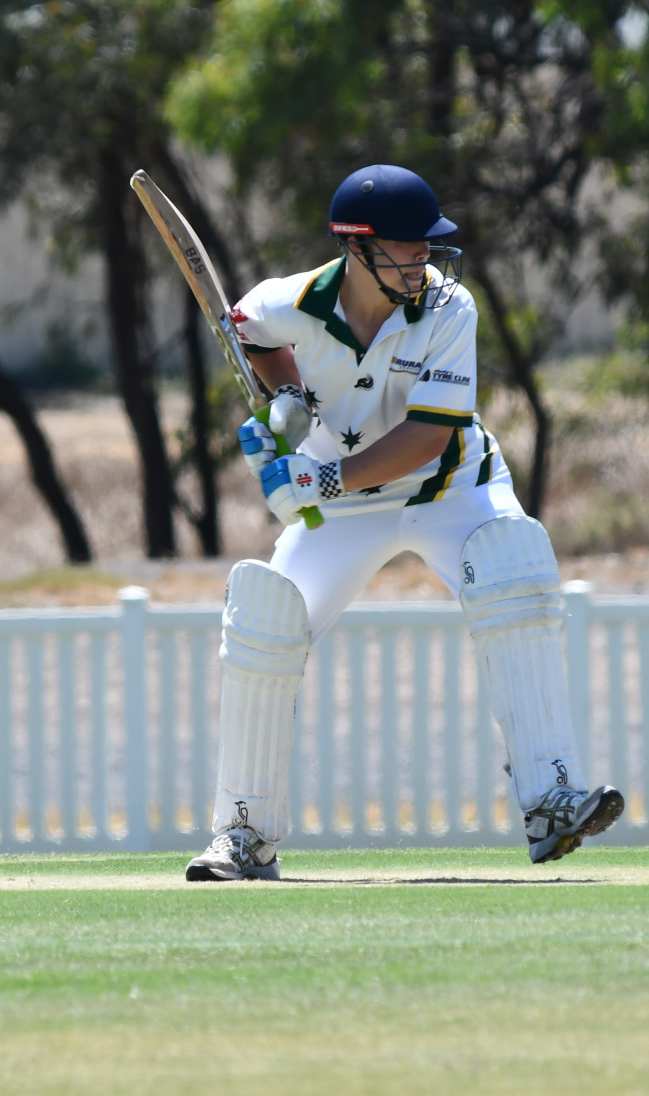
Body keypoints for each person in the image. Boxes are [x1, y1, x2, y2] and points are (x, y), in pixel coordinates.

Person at [186, 164, 623, 881]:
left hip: (449, 486)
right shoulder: (287, 301)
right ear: (357, 249)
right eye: (407, 246)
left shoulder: (451, 308)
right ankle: (242, 834)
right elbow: (252, 332)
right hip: (345, 509)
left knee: (515, 565)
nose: (424, 258)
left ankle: (551, 800)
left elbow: (425, 437)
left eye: (427, 245)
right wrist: (289, 396)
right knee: (265, 616)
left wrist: (317, 475)